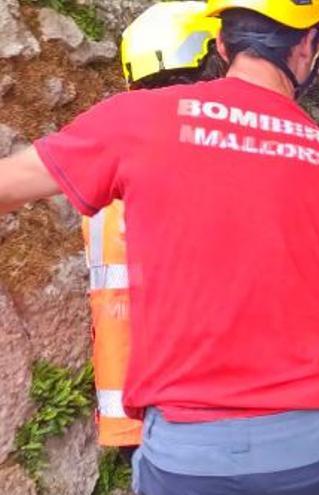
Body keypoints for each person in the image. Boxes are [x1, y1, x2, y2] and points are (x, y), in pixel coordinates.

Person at [0, 0, 319, 492]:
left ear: (223, 44)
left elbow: (10, 182)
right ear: (307, 47)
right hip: (314, 449)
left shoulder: (139, 118)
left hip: (185, 459)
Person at [85, 0, 225, 452]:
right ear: (206, 59)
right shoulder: (195, 155)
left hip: (129, 405)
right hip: (195, 407)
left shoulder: (111, 154)